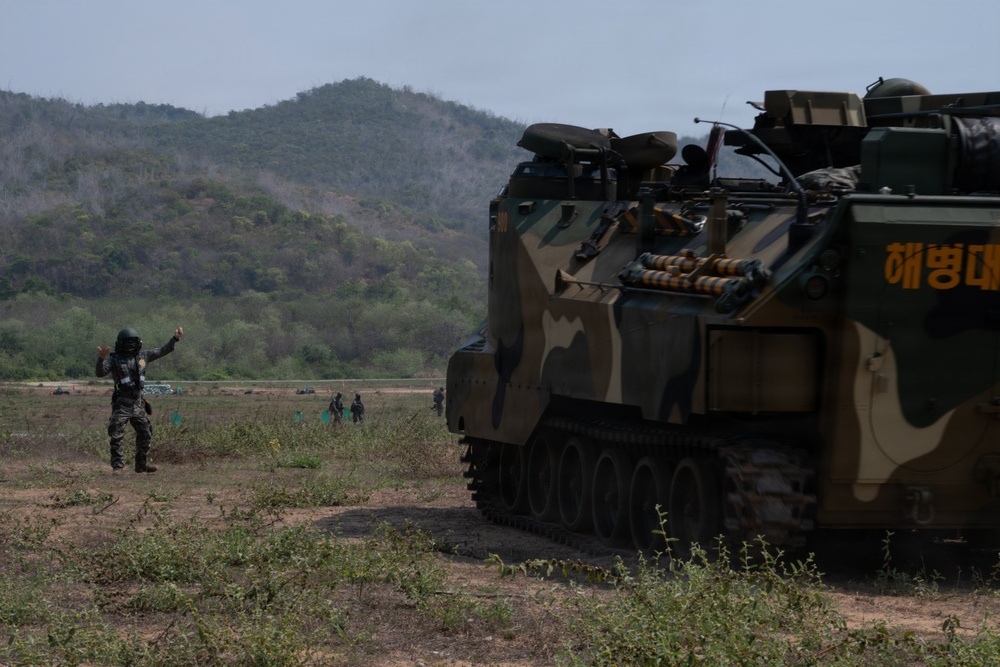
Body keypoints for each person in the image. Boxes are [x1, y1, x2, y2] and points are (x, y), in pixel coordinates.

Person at [96, 326, 184, 473]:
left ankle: (141, 465)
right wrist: (101, 358)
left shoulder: (144, 356)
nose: (130, 344)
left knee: (145, 433)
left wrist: (175, 338)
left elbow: (163, 350)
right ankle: (118, 466)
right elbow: (100, 373)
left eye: (132, 341)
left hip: (138, 402)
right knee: (116, 434)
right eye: (127, 342)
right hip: (122, 402)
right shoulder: (113, 359)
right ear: (120, 343)